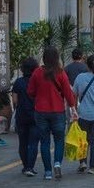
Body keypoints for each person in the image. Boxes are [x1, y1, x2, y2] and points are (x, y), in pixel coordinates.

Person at [28, 46, 77, 181]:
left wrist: (39, 96)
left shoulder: (37, 72)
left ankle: (48, 172)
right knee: (59, 140)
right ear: (57, 58)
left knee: (44, 142)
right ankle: (57, 163)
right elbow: (68, 93)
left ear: (44, 58)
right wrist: (73, 109)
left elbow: (30, 91)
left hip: (41, 112)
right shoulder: (61, 73)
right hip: (58, 111)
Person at [11, 58, 38, 176]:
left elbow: (14, 100)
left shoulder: (18, 82)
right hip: (35, 115)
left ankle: (25, 166)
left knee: (23, 142)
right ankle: (30, 167)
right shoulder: (37, 81)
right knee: (33, 143)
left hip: (21, 115)